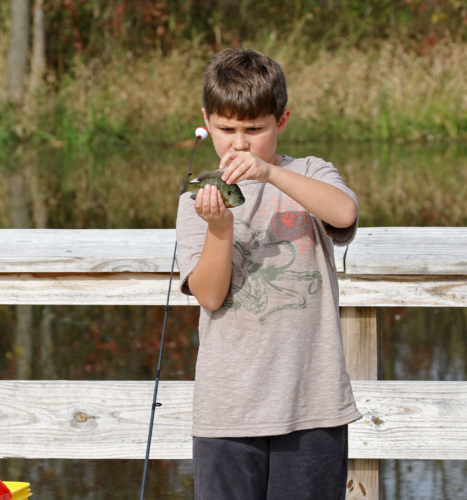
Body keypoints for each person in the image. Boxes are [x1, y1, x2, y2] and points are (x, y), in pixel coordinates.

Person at [175, 48, 363, 500]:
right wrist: (219, 229)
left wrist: (269, 174)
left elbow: (344, 211)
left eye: (254, 130)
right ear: (206, 120)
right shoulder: (195, 199)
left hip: (313, 407)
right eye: (226, 129)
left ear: (281, 121)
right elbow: (210, 296)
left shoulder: (311, 173)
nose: (240, 144)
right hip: (228, 411)